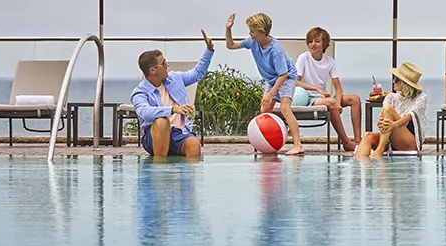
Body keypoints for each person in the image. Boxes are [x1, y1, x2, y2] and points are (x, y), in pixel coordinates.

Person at [225, 12, 304, 156]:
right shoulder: (253, 41)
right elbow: (230, 45)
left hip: (286, 77)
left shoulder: (276, 50)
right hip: (273, 79)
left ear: (262, 32)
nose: (250, 34)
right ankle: (270, 143)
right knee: (264, 110)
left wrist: (271, 94)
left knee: (285, 108)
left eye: (252, 32)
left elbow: (283, 74)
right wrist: (228, 28)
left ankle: (298, 145)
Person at [131, 30, 215, 159]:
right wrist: (173, 109)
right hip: (154, 135)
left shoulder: (175, 78)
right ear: (152, 70)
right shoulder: (140, 92)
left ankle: (185, 177)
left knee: (194, 144)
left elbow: (197, 73)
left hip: (179, 133)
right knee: (162, 122)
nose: (167, 65)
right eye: (163, 64)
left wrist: (209, 50)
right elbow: (144, 112)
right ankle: (160, 171)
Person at [292, 26, 359, 152]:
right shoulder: (304, 58)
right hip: (308, 97)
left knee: (354, 99)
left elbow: (338, 88)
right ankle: (346, 142)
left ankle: (358, 141)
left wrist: (338, 103)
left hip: (322, 97)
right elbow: (296, 82)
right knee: (331, 102)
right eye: (310, 41)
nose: (313, 44)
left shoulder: (330, 61)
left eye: (317, 41)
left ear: (324, 44)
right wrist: (316, 88)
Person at [355, 62, 427, 158]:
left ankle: (379, 150)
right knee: (368, 136)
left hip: (410, 142)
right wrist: (380, 122)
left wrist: (393, 125)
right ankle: (360, 168)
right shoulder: (391, 97)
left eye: (396, 79)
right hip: (391, 141)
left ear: (404, 83)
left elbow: (409, 117)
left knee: (389, 109)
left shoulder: (421, 98)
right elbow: (384, 115)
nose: (393, 81)